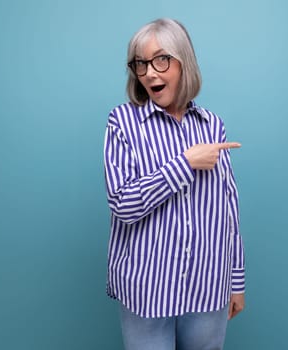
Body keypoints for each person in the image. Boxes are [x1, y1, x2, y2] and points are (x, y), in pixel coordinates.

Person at [103, 18, 245, 350]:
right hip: (147, 289)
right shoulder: (122, 123)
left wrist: (236, 281)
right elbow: (123, 204)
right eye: (141, 63)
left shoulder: (212, 125)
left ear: (184, 61)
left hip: (208, 284)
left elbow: (229, 208)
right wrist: (184, 164)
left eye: (160, 60)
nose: (150, 72)